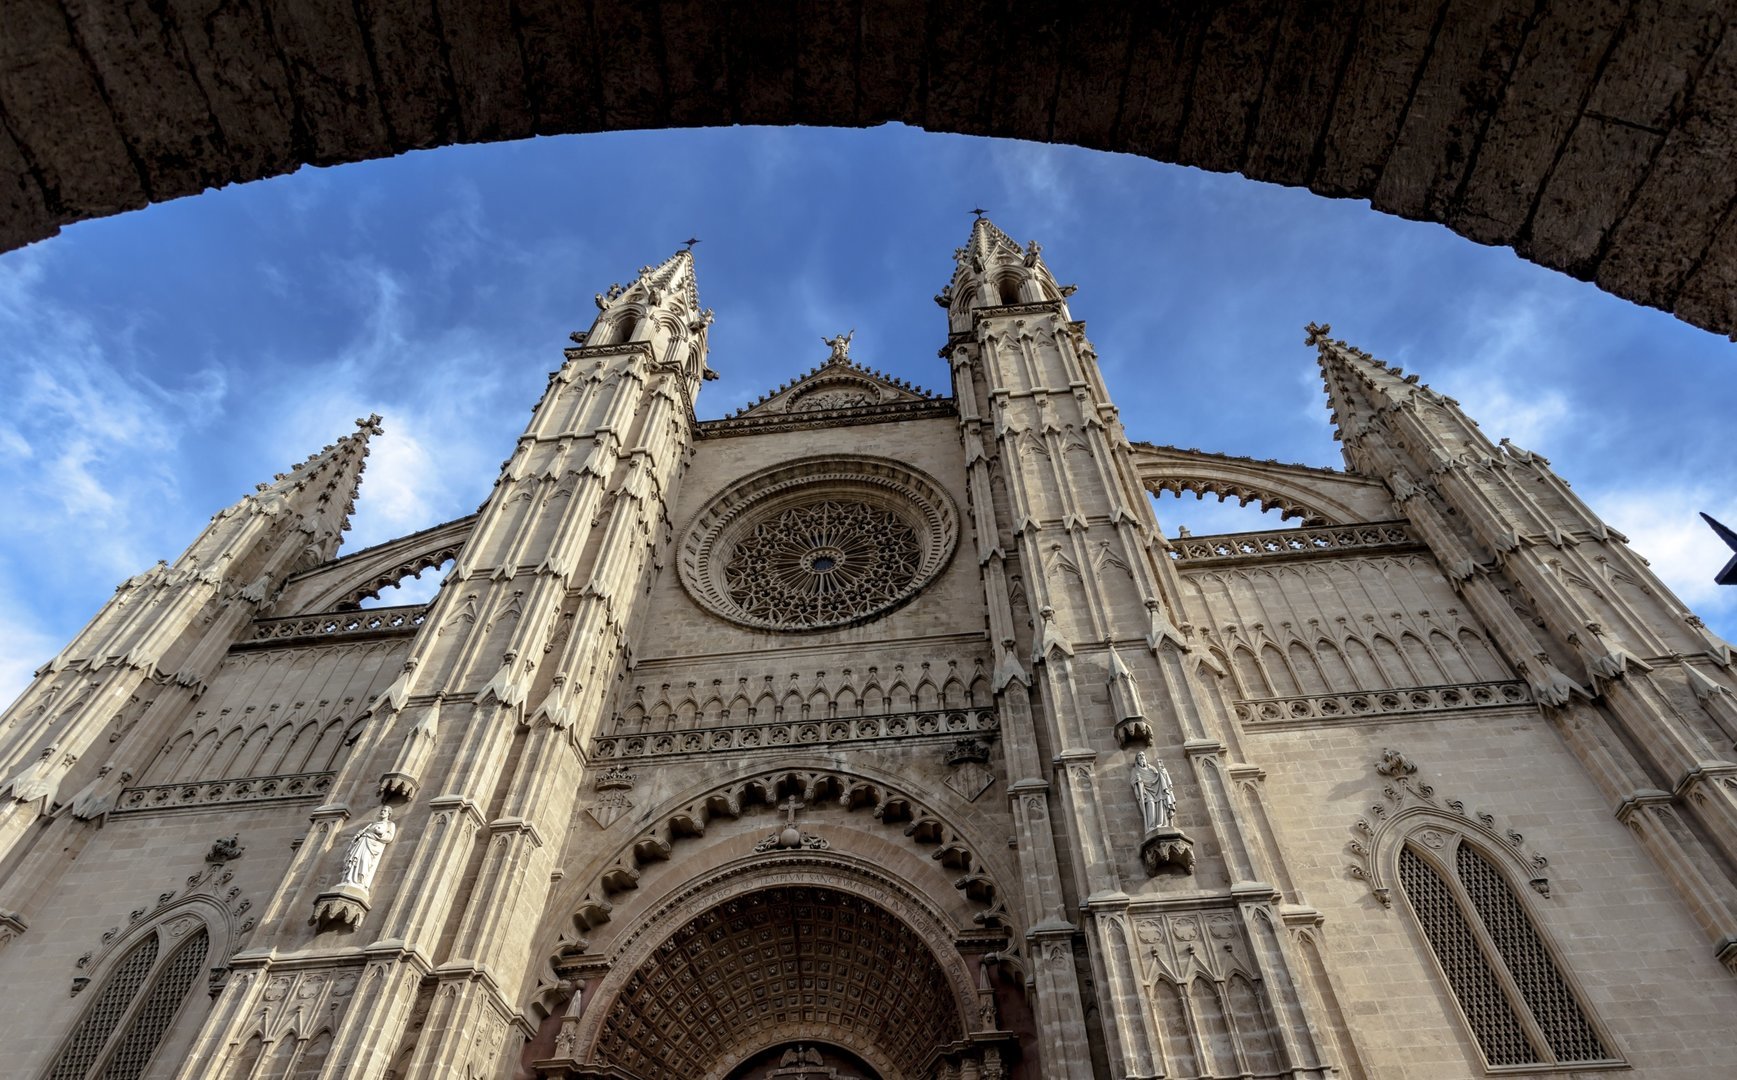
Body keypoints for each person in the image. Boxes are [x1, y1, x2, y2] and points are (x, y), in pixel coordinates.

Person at [338, 807, 397, 888]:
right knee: (355, 860)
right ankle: (349, 879)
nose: (382, 812)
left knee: (364, 861)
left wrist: (381, 833)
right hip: (363, 842)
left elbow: (389, 837)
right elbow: (367, 831)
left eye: (385, 811)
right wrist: (360, 834)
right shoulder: (373, 824)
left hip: (372, 846)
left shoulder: (390, 824)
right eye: (382, 810)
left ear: (389, 814)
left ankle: (360, 881)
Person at [1130, 751, 1175, 832]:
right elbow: (1133, 781)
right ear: (1137, 760)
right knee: (1150, 804)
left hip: (1156, 788)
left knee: (1161, 803)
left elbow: (1158, 777)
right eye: (1139, 756)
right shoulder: (1135, 770)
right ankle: (1151, 826)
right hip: (1146, 791)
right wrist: (1138, 781)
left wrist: (1162, 771)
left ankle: (1162, 823)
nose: (1141, 757)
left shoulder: (1152, 768)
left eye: (1143, 755)